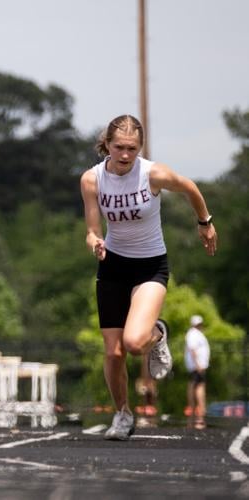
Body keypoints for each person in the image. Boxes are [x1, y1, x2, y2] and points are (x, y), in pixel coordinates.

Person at [80, 115, 217, 441]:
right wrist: (94, 241)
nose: (125, 154)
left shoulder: (152, 173)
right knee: (113, 353)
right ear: (107, 146)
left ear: (140, 147)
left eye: (132, 148)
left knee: (134, 343)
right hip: (113, 265)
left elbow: (190, 188)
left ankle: (158, 332)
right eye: (119, 148)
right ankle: (123, 414)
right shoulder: (92, 179)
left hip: (149, 266)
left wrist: (204, 222)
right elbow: (91, 227)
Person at [185, 314, 210, 429]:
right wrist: (197, 364)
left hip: (199, 365)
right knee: (196, 384)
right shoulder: (193, 334)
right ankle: (194, 407)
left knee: (199, 384)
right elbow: (192, 349)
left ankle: (199, 407)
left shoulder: (197, 334)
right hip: (196, 365)